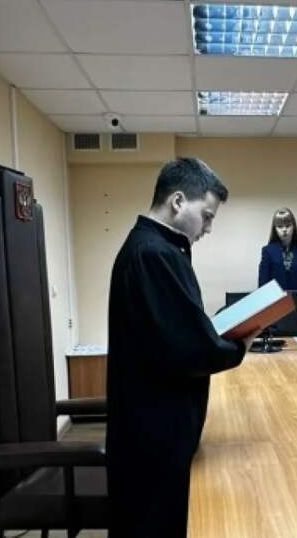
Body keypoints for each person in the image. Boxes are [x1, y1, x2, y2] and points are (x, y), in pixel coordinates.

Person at [106, 157, 256, 538]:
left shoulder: (157, 247)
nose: (208, 228)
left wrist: (212, 333)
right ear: (177, 201)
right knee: (154, 524)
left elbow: (178, 326)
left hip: (154, 425)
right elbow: (187, 347)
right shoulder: (153, 254)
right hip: (153, 434)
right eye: (206, 216)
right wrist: (238, 345)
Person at [258, 207, 297, 332]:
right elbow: (263, 285)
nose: (284, 230)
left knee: (296, 344)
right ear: (275, 229)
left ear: (294, 226)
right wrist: (276, 309)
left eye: (288, 225)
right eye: (280, 226)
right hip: (273, 312)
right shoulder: (267, 251)